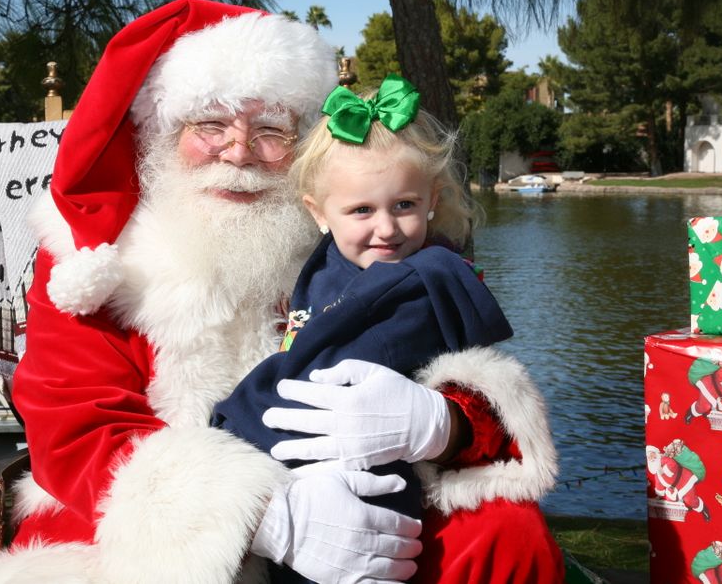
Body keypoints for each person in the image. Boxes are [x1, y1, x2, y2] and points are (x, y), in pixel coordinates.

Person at [0, 0, 562, 584]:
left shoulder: (350, 232)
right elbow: (75, 422)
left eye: (271, 130)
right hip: (149, 517)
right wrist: (269, 518)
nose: (239, 150)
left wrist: (439, 422)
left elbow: (449, 355)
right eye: (210, 125)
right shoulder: (92, 259)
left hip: (352, 486)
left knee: (506, 534)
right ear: (161, 130)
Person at [211, 76, 519, 584]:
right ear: (318, 213)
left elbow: (319, 366)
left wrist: (235, 420)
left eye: (404, 205)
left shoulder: (420, 280)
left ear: (432, 200)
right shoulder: (324, 264)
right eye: (361, 210)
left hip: (375, 469)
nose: (386, 229)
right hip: (299, 473)